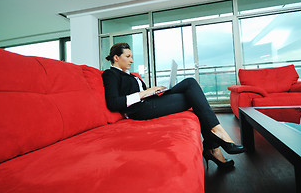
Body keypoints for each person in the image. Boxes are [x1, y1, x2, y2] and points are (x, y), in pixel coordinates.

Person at [102, 43, 245, 169]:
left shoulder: (131, 75)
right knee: (192, 98)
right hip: (139, 110)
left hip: (149, 101)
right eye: (128, 56)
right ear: (116, 57)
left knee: (190, 83)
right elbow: (114, 103)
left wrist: (154, 90)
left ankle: (213, 144)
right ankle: (216, 139)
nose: (132, 60)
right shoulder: (110, 74)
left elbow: (139, 93)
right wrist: (145, 92)